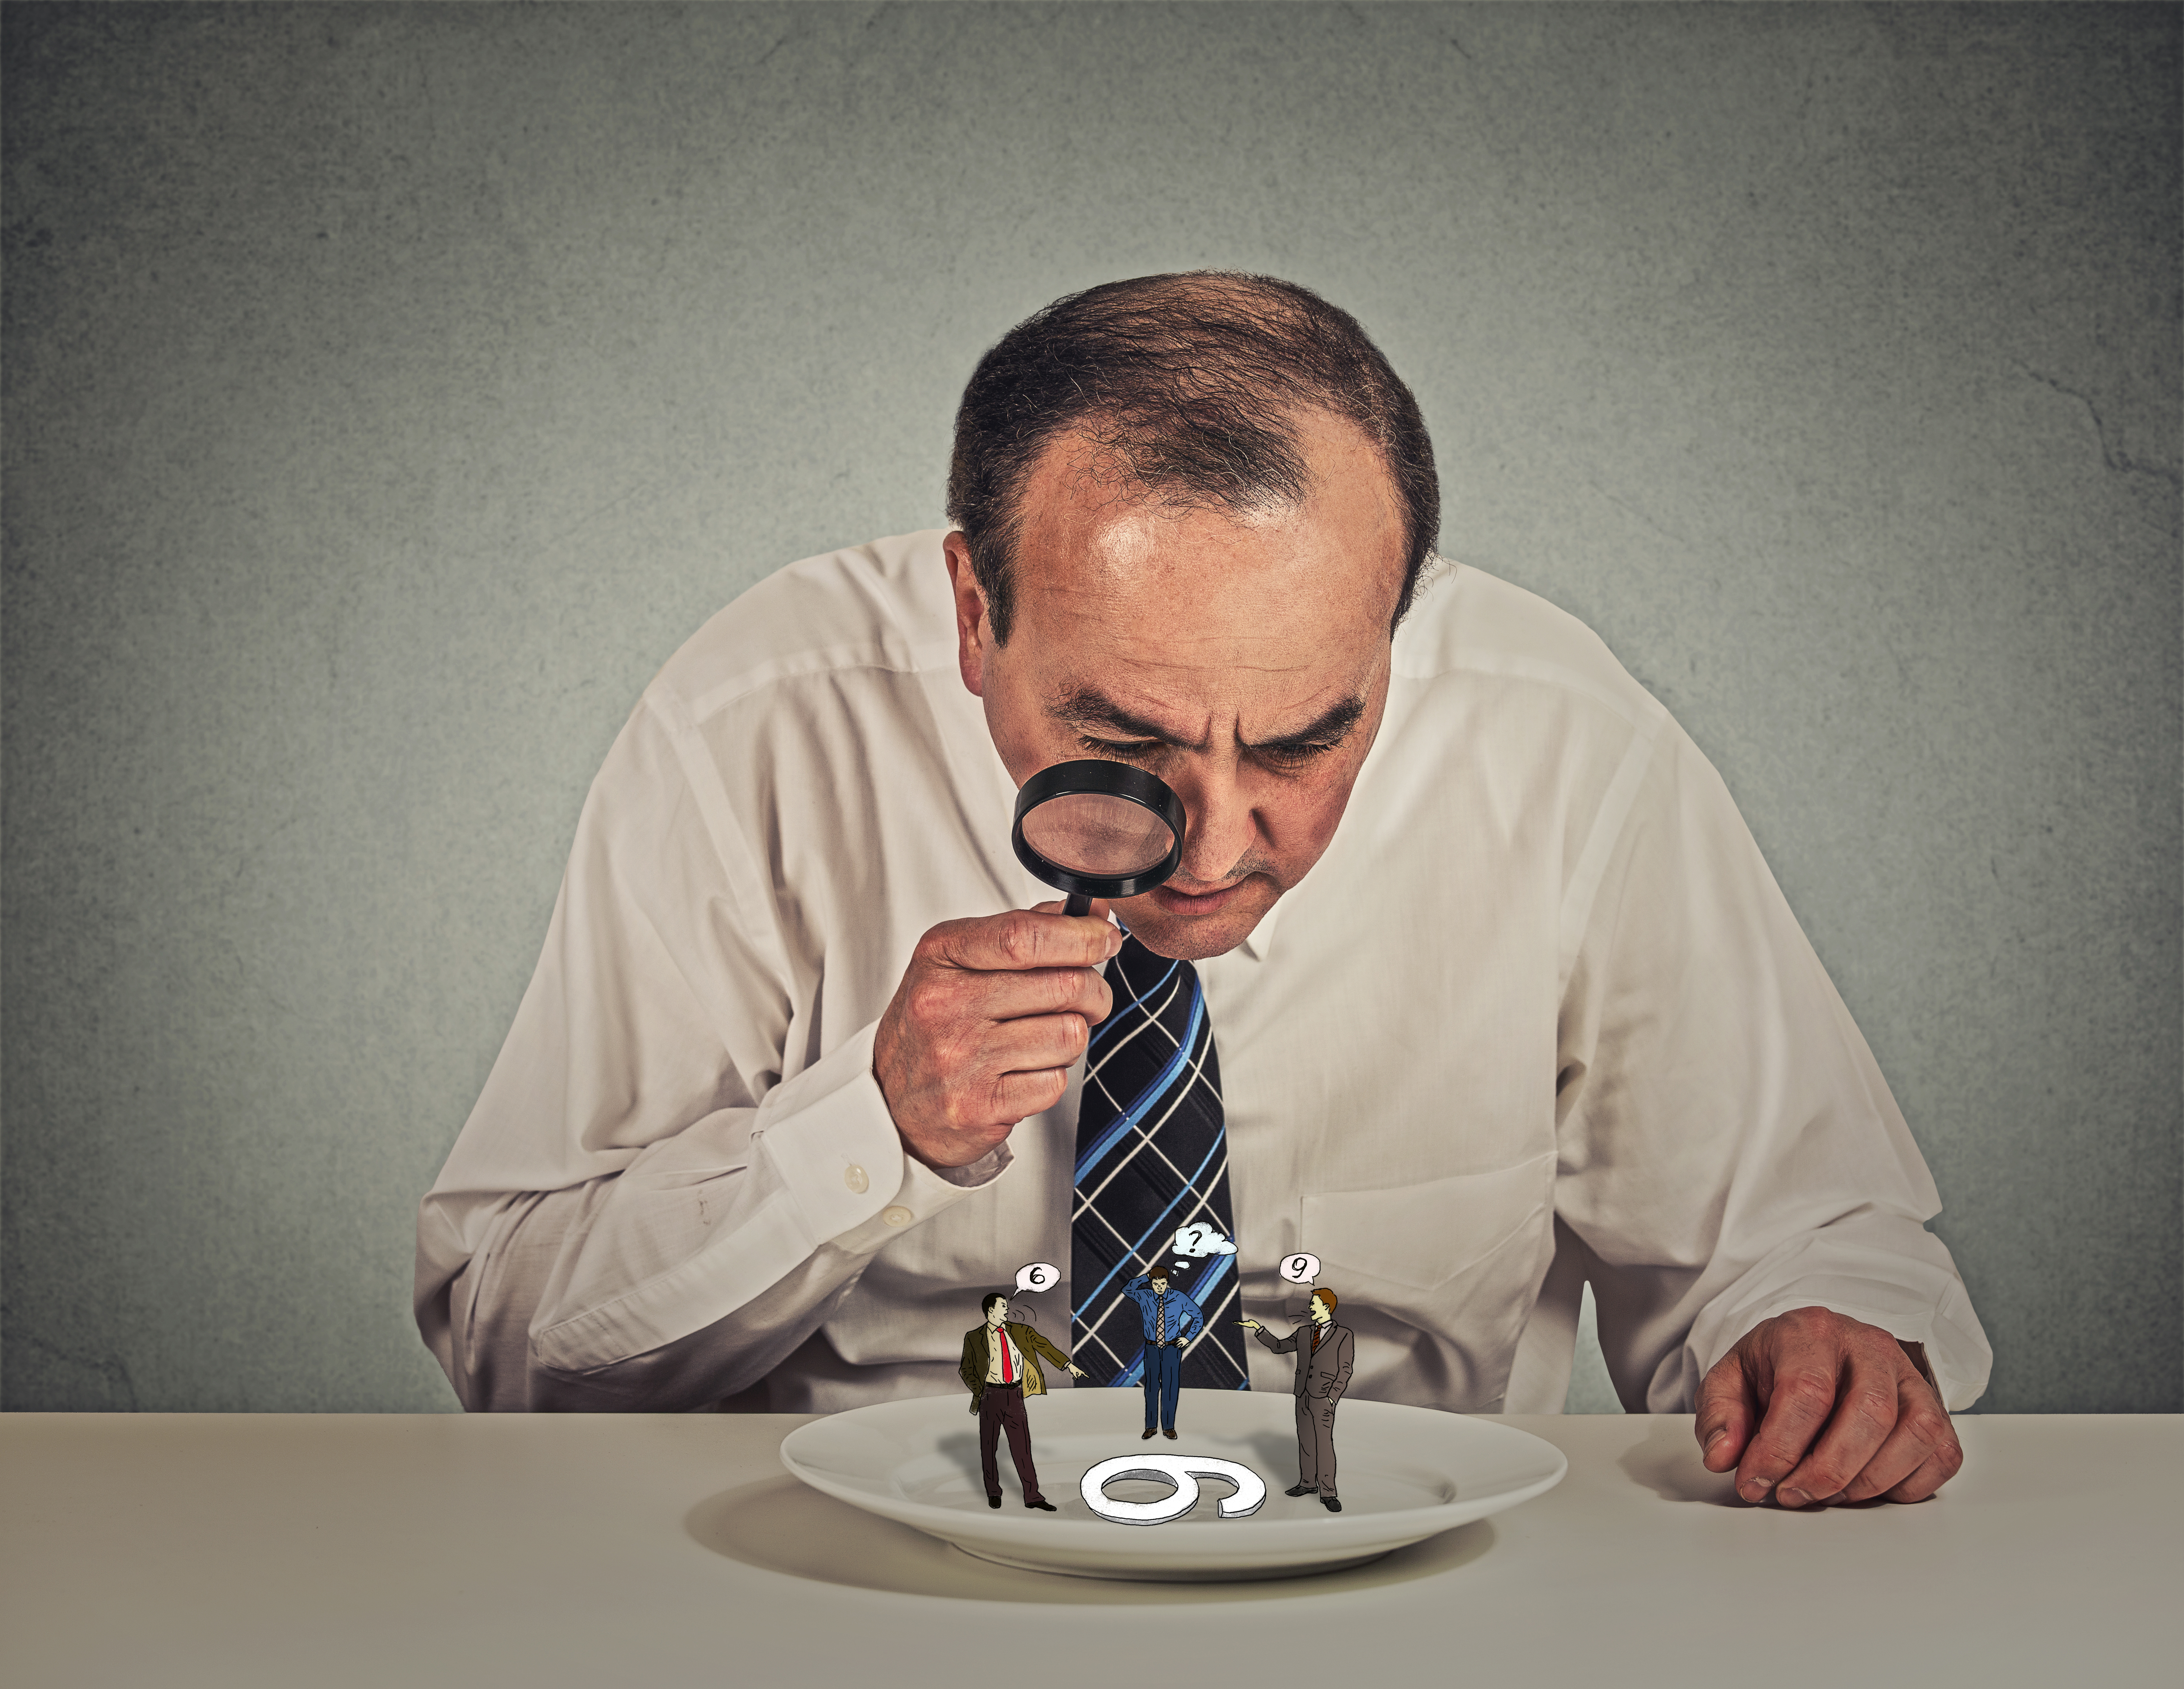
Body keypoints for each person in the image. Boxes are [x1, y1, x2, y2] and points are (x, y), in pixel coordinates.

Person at [417, 272, 1988, 1515]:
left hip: (1403, 1599)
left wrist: (1821, 1342)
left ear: (1394, 627)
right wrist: (864, 1129)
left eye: (1307, 738)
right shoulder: (759, 723)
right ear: (974, 614)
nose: (1215, 848)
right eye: (1121, 739)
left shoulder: (1559, 736)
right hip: (868, 1591)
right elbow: (508, 1350)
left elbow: (1796, 1242)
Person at [959, 1292, 1085, 1510]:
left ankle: (1033, 1497)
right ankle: (993, 1492)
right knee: (989, 1447)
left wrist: (1068, 1366)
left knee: (1022, 1447)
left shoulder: (1021, 1331)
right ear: (991, 1310)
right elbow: (966, 1369)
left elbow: (1045, 1347)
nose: (1007, 1309)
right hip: (990, 1396)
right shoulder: (974, 1337)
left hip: (1015, 1396)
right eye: (1003, 1306)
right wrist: (981, 1391)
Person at [1242, 1288, 1353, 1511]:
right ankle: (1308, 1483)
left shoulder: (1343, 1335)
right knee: (1306, 1441)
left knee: (1324, 1444)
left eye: (1314, 1304)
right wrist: (1259, 1329)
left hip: (1323, 1397)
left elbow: (1346, 1370)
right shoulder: (1303, 1332)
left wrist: (1333, 1397)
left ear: (1326, 1307)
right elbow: (1279, 1347)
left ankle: (1329, 1493)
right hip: (1302, 1394)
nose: (1310, 1307)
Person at [1120, 1268, 1205, 1440]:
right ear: (1151, 1283)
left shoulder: (1179, 1297)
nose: (1160, 1287)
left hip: (1172, 1348)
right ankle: (1151, 1427)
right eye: (1156, 1284)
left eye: (1163, 1283)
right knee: (1152, 1387)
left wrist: (1188, 1338)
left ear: (1168, 1282)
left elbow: (1198, 1316)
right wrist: (1145, 1277)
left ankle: (1169, 1428)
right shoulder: (1144, 1296)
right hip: (1151, 1348)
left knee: (1171, 1386)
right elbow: (1127, 1289)